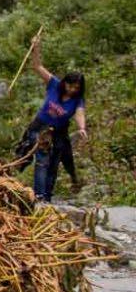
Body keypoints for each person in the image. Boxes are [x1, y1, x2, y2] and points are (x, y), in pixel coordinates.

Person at [16, 33, 87, 202]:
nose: (72, 89)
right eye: (70, 85)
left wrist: (82, 128)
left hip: (58, 134)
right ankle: (39, 196)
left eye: (76, 87)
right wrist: (36, 48)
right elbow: (37, 66)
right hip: (39, 128)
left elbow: (79, 114)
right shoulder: (54, 85)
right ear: (65, 83)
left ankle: (46, 197)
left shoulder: (77, 100)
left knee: (53, 165)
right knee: (42, 160)